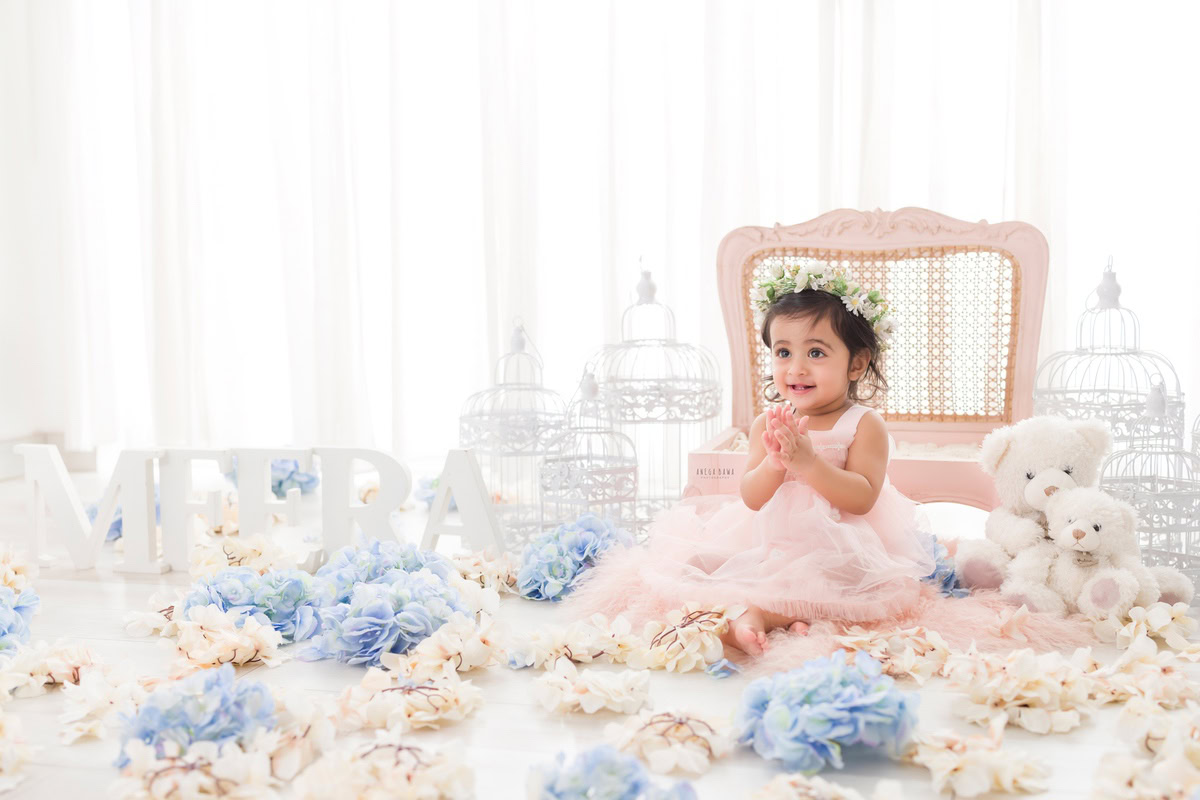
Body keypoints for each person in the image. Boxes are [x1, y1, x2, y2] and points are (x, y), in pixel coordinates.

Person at [566, 264, 935, 655]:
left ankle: (759, 614)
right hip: (766, 540)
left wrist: (809, 463)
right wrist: (775, 465)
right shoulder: (769, 422)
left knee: (837, 582)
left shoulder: (862, 425)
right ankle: (768, 612)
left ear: (857, 364)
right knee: (697, 563)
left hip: (834, 545)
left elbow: (862, 497)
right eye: (783, 352)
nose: (796, 368)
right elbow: (752, 498)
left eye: (816, 352)